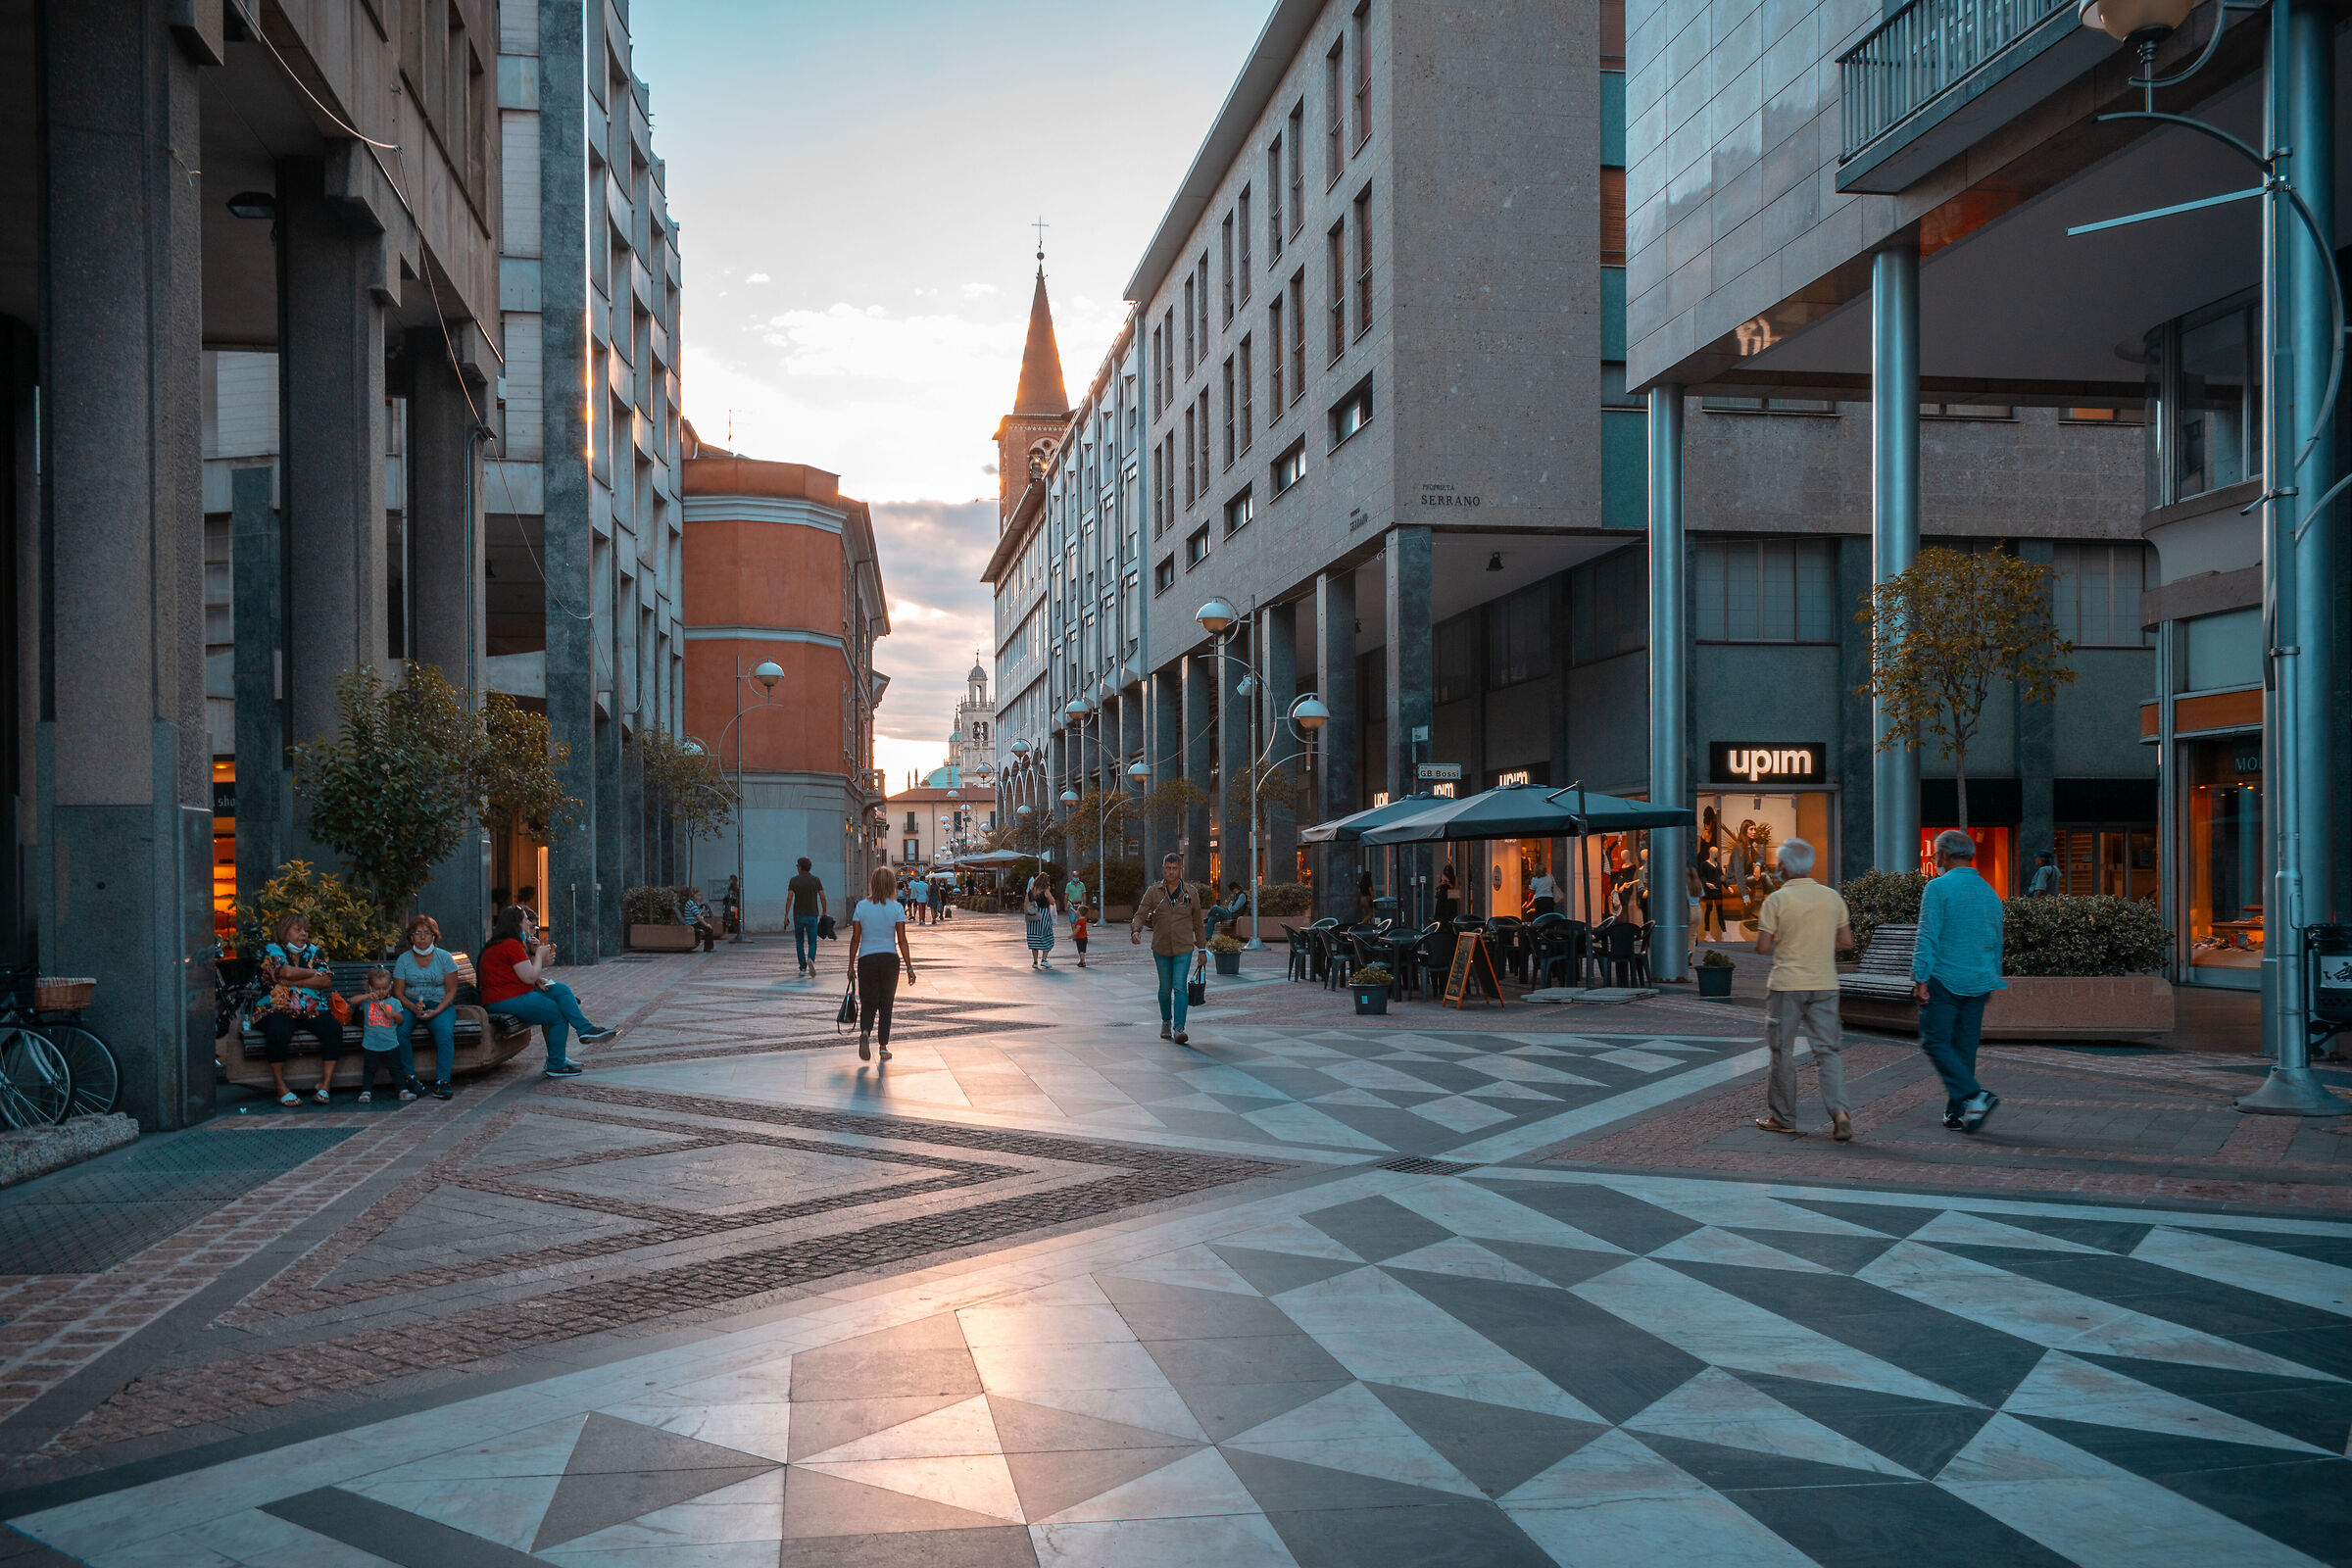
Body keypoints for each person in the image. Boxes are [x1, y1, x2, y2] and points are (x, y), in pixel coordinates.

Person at [1750, 839, 1855, 1141]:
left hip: (1787, 985)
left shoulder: (1776, 900)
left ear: (1783, 867)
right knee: (1827, 1051)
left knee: (1781, 1051)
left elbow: (1763, 947)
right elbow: (1846, 941)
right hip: (1825, 982)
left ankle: (1783, 1118)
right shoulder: (1832, 897)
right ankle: (1840, 1112)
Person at [1914, 829, 2005, 1133]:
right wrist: (1993, 978)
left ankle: (1976, 1095)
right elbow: (1996, 940)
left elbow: (1928, 935)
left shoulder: (1937, 888)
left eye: (1936, 853)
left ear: (1943, 855)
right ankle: (1958, 1112)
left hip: (1944, 978)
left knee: (1935, 1041)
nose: (1935, 858)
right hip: (1979, 980)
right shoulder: (1989, 892)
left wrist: (1920, 977)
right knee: (1965, 1047)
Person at [479, 905, 620, 1077]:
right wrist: (539, 956)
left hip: (513, 993)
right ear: (517, 924)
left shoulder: (509, 944)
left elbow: (523, 974)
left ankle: (585, 1029)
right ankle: (556, 1063)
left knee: (561, 990)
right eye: (526, 920)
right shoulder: (510, 945)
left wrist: (534, 961)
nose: (529, 923)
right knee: (557, 1013)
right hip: (504, 999)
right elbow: (529, 976)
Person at [256, 915, 343, 1105]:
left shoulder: (313, 951)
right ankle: (281, 1087)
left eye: (305, 930)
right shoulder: (273, 949)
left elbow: (326, 980)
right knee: (278, 1031)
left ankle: (325, 1086)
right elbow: (284, 971)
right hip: (278, 1008)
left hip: (312, 1008)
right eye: (298, 930)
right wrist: (313, 973)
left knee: (333, 1029)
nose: (303, 934)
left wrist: (293, 981)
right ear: (284, 931)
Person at [1132, 852, 1209, 1044]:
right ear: (1163, 869)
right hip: (1161, 948)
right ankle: (1166, 1021)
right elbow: (1141, 913)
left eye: (1175, 868)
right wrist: (1135, 930)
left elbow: (1198, 923)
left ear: (1181, 869)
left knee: (1180, 987)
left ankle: (1179, 1028)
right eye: (1168, 868)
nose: (1171, 872)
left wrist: (1202, 949)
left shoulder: (1191, 892)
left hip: (1184, 948)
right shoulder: (1153, 891)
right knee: (1165, 989)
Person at [847, 865, 917, 1061]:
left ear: (873, 884)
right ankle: (883, 1047)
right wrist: (909, 967)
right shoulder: (896, 908)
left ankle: (865, 1032)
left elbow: (855, 938)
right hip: (889, 959)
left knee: (868, 1001)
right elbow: (901, 939)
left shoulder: (861, 906)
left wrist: (850, 965)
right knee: (886, 1003)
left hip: (866, 959)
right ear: (892, 885)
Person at [392, 915, 462, 1100]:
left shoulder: (444, 958)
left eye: (427, 933)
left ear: (434, 936)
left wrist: (437, 1011)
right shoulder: (403, 960)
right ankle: (409, 1078)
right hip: (411, 1005)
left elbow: (451, 991)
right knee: (400, 1031)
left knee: (445, 1033)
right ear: (411, 937)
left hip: (439, 1005)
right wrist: (412, 1008)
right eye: (417, 933)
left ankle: (442, 1082)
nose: (422, 937)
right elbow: (398, 992)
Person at [355, 968, 417, 1103]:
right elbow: (352, 1001)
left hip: (390, 1042)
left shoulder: (394, 1002)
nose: (381, 992)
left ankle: (402, 1090)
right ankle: (366, 1091)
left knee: (396, 1068)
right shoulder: (368, 1002)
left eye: (384, 988)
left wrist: (393, 1015)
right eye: (377, 988)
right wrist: (367, 996)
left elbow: (401, 1020)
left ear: (390, 986)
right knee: (369, 1068)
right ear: (370, 987)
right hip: (370, 1043)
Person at [786, 858, 826, 974]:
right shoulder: (816, 880)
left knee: (799, 941)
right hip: (812, 914)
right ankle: (811, 959)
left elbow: (789, 898)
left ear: (800, 867)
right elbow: (822, 896)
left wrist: (786, 915)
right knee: (812, 941)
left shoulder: (794, 880)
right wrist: (824, 911)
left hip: (798, 914)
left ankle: (802, 968)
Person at [1025, 871, 1058, 968]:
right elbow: (1052, 901)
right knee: (1047, 935)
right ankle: (1044, 959)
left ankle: (1035, 961)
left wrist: (1026, 915)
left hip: (1032, 914)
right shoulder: (1045, 890)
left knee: (1034, 937)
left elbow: (1026, 903)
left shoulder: (1031, 891)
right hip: (1043, 914)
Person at [678, 887, 719, 952]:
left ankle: (708, 947)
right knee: (709, 929)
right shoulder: (692, 904)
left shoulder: (692, 903)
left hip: (693, 922)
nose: (701, 899)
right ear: (697, 898)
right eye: (701, 897)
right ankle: (708, 948)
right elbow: (698, 917)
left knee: (707, 928)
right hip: (692, 923)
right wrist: (706, 924)